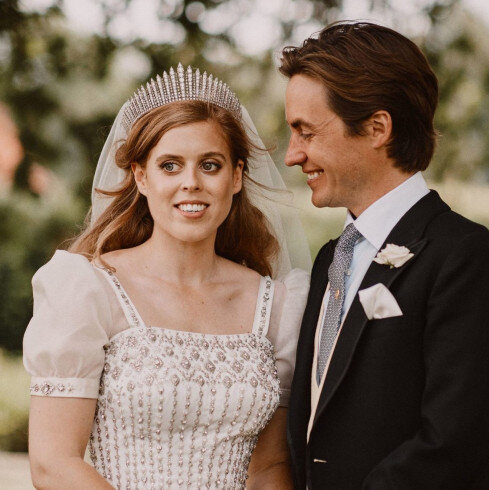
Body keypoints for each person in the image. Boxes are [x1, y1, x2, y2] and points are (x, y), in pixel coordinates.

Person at [23, 63, 311, 489]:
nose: (190, 183)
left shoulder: (280, 306)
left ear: (236, 176)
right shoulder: (89, 289)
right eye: (170, 166)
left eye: (210, 165)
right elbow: (54, 463)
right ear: (141, 176)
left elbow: (270, 468)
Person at [281, 22, 489, 489]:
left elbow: (451, 444)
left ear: (377, 128)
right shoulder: (330, 259)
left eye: (305, 132)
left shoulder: (466, 258)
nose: (293, 155)